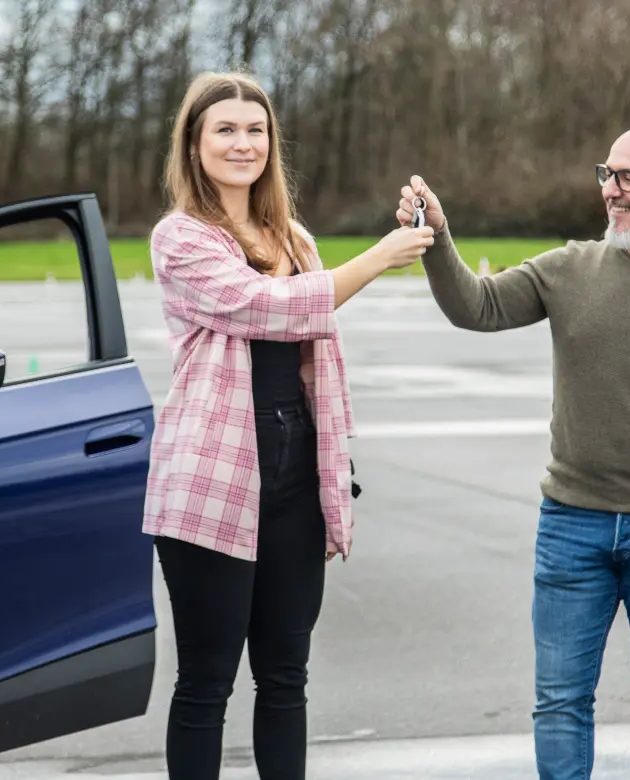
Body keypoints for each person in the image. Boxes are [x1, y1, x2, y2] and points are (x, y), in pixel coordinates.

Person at [394, 124, 630, 779]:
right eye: (607, 173)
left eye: (629, 178)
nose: (611, 190)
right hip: (572, 523)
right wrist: (439, 238)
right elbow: (477, 308)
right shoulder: (568, 269)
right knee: (560, 702)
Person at [143, 70, 433, 780]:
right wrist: (377, 258)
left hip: (296, 473)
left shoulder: (292, 237)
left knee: (285, 676)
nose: (243, 144)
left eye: (256, 130)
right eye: (225, 130)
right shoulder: (180, 237)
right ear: (194, 142)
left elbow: (311, 328)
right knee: (207, 681)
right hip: (214, 476)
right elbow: (263, 306)